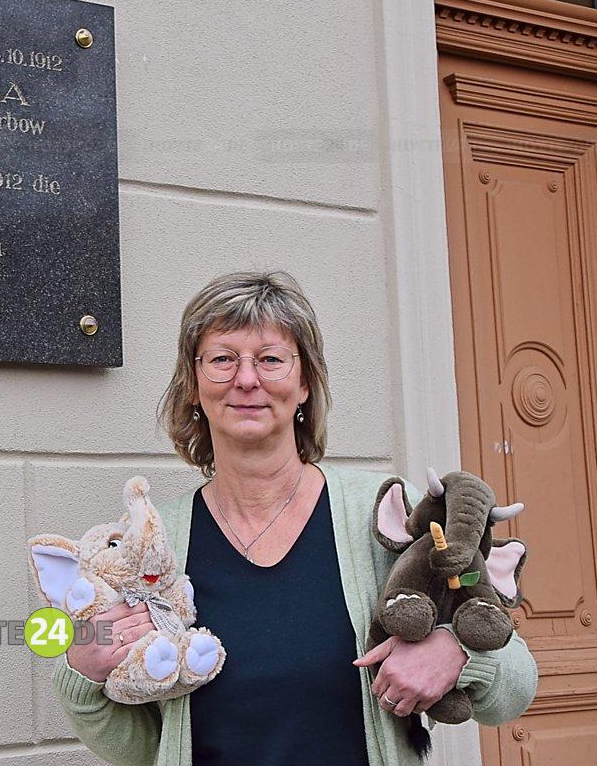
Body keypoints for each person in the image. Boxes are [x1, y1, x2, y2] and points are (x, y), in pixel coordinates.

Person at [50, 270, 537, 766]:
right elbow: (141, 748)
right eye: (221, 359)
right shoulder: (155, 542)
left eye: (270, 359)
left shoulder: (390, 512)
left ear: (304, 383)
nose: (246, 379)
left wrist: (458, 652)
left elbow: (516, 681)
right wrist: (83, 672)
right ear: (193, 385)